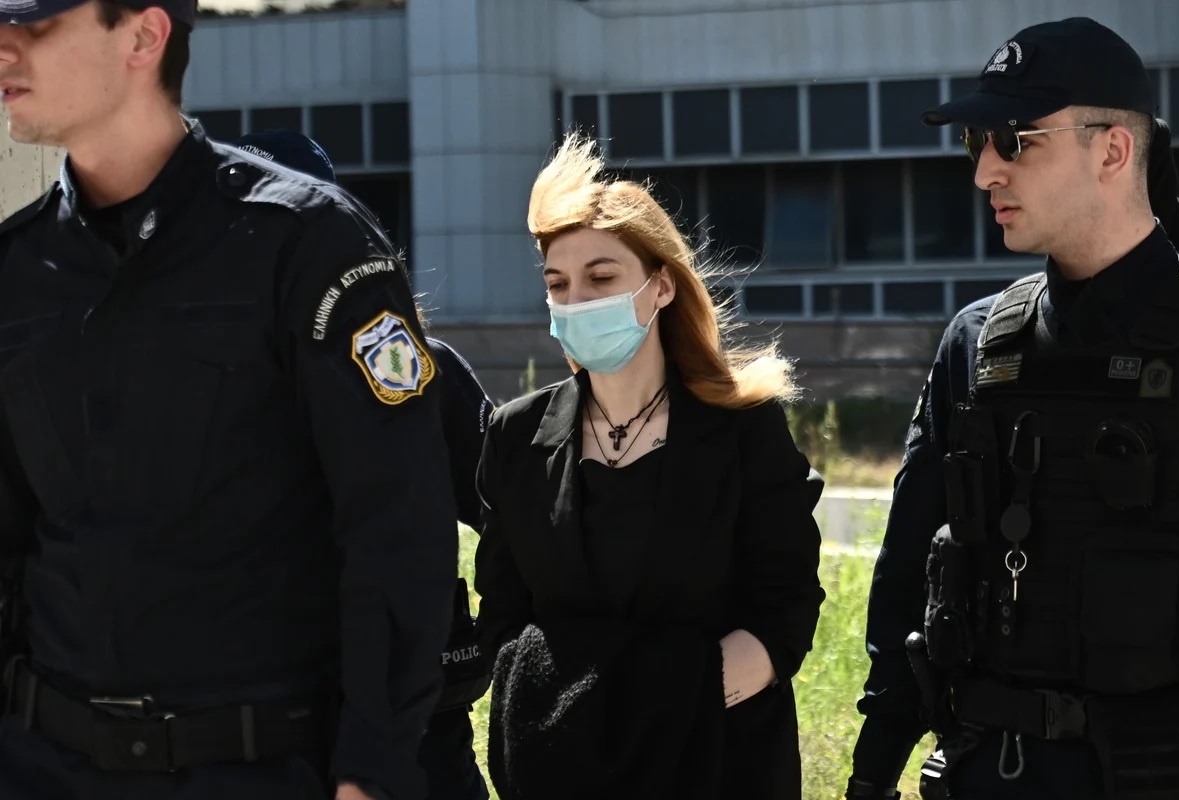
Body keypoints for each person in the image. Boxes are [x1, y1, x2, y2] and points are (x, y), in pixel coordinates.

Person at [0, 2, 460, 799]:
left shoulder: (306, 243)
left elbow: (397, 528)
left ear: (144, 36)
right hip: (44, 765)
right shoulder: (18, 268)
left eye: (36, 25)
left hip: (256, 769)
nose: (5, 48)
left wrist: (372, 770)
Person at [846, 17, 1179, 800]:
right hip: (985, 772)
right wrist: (872, 771)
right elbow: (906, 574)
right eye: (976, 141)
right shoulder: (977, 343)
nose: (984, 172)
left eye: (1014, 140)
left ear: (1113, 151)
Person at [473, 132, 825, 800]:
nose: (576, 300)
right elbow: (504, 623)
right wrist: (577, 730)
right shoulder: (515, 438)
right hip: (563, 773)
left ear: (660, 286)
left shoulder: (744, 431)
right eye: (557, 284)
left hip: (718, 768)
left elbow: (784, 614)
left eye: (602, 278)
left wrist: (656, 719)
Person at [233, 128, 493, 800]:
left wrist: (492, 639)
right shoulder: (189, 391)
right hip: (256, 727)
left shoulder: (416, 367)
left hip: (415, 721)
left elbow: (515, 517)